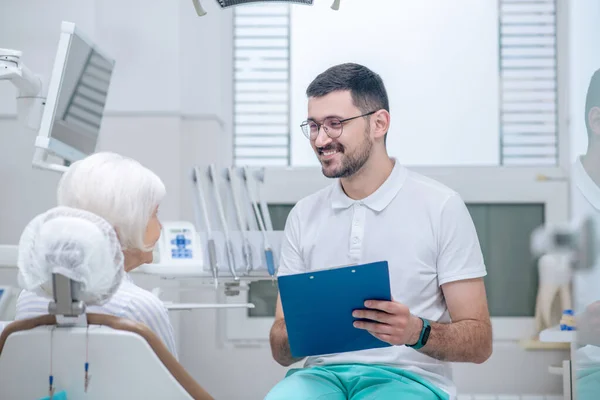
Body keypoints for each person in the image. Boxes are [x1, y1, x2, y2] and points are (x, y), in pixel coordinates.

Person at [266, 63, 492, 400]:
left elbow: (480, 342)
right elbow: (280, 348)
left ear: (379, 123)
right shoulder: (304, 215)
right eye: (313, 126)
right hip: (320, 378)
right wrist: (304, 331)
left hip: (409, 380)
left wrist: (415, 331)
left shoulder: (441, 206)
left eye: (334, 124)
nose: (320, 139)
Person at [14, 152, 178, 358]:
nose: (161, 226)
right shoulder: (139, 307)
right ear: (129, 223)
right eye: (155, 213)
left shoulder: (29, 298)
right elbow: (173, 388)